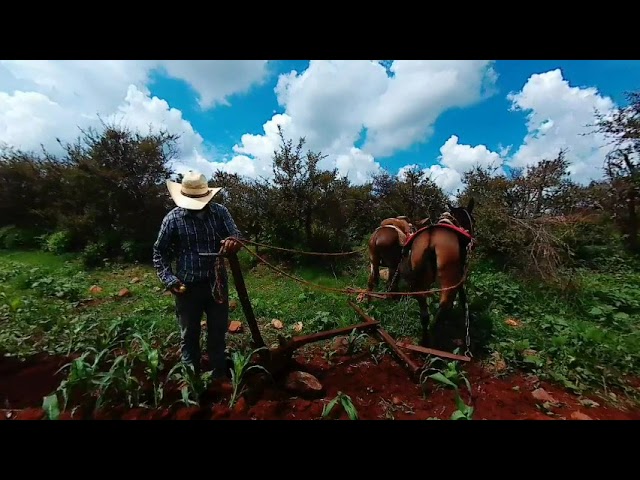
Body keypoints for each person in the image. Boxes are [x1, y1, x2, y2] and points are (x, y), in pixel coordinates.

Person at [152, 170, 243, 385]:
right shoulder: (173, 219)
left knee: (218, 332)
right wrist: (169, 280)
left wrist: (232, 242)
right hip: (187, 286)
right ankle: (191, 380)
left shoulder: (220, 212)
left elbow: (237, 236)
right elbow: (159, 252)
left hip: (216, 284)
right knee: (189, 335)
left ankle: (219, 375)